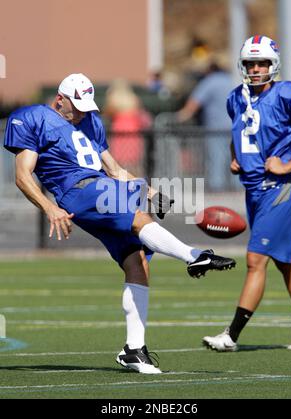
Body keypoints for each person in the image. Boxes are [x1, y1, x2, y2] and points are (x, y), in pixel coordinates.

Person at [4, 73, 236, 373]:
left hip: (100, 186)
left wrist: (151, 191)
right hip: (76, 190)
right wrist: (49, 207)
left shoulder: (91, 122)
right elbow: (22, 175)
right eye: (77, 105)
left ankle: (134, 350)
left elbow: (114, 170)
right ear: (59, 99)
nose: (83, 112)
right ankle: (194, 256)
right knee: (138, 218)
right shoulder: (34, 116)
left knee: (137, 261)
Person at [202, 36, 291, 352]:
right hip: (254, 190)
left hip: (280, 188)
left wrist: (290, 165)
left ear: (274, 65)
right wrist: (236, 157)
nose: (256, 69)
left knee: (256, 259)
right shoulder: (235, 98)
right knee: (287, 262)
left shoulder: (288, 94)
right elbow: (239, 134)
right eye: (250, 63)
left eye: (262, 63)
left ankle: (231, 335)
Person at [177, 55, 235, 191]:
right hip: (236, 129)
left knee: (216, 161)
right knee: (236, 161)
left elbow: (193, 104)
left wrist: (178, 117)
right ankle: (237, 192)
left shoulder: (209, 82)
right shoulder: (233, 81)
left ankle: (218, 193)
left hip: (215, 131)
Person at [104, 79, 152, 177]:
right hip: (133, 129)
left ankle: (122, 184)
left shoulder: (113, 98)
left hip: (119, 129)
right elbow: (140, 113)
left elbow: (107, 114)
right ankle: (137, 183)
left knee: (120, 161)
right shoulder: (134, 98)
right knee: (134, 161)